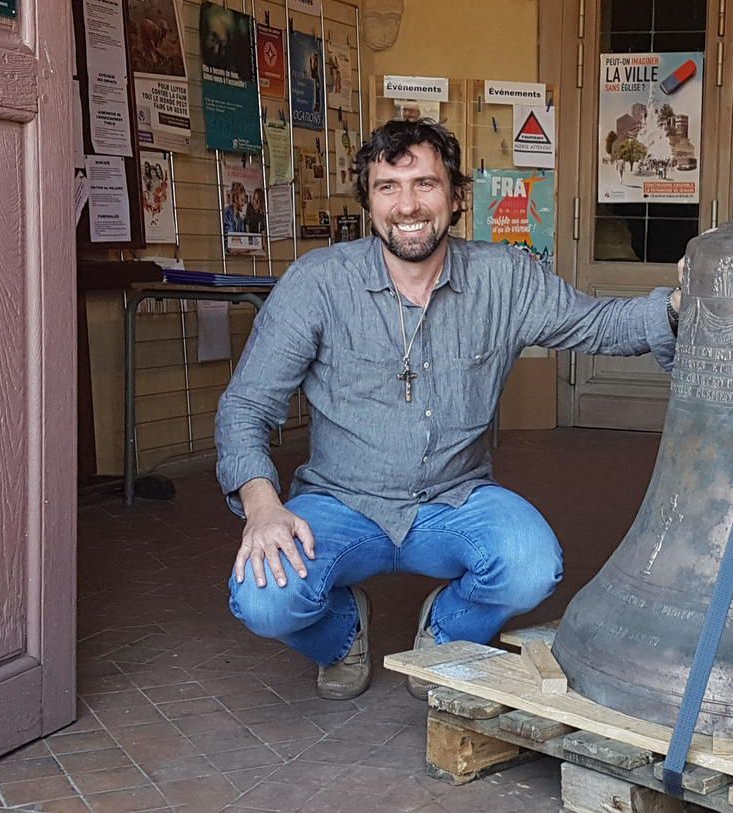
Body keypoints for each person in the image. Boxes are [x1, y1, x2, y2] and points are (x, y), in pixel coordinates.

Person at [216, 119, 683, 701]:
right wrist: (262, 505)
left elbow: (598, 324)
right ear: (368, 200)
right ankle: (341, 637)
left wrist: (678, 304)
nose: (407, 205)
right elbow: (246, 406)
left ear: (457, 196)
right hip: (341, 501)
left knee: (530, 565)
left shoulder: (505, 277)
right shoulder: (317, 283)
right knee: (264, 599)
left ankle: (444, 637)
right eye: (388, 187)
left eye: (425, 184)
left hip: (455, 498)